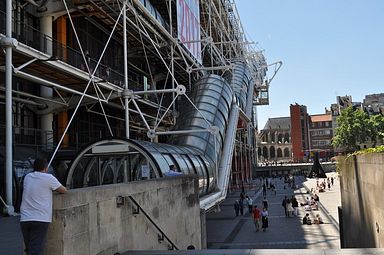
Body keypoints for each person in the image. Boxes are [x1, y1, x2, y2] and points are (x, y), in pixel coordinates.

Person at [20, 158, 67, 255]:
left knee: (29, 249)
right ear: (46, 168)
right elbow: (63, 190)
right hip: (40, 218)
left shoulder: (27, 177)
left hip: (25, 219)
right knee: (36, 249)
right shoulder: (49, 178)